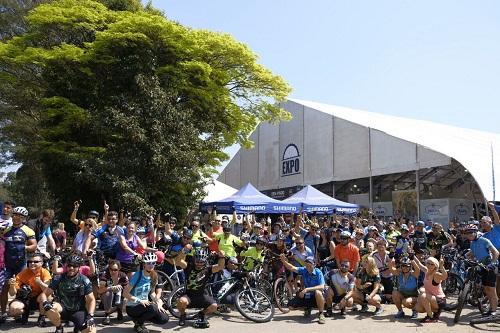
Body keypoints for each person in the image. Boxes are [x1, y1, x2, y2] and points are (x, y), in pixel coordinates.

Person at [40, 254, 96, 333]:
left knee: (91, 331)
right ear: (66, 265)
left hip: (79, 311)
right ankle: (59, 327)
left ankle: (77, 328)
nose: (71, 268)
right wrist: (45, 303)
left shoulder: (84, 280)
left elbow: (91, 299)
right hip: (63, 308)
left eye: (75, 266)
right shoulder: (58, 278)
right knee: (50, 308)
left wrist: (90, 316)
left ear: (79, 267)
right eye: (69, 265)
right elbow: (44, 294)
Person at [0, 206, 37, 324]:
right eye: (15, 215)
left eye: (19, 216)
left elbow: (34, 245)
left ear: (23, 218)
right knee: (4, 288)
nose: (16, 217)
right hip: (7, 264)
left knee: (22, 289)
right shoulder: (6, 230)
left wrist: (25, 247)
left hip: (21, 264)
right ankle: (3, 313)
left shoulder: (28, 230)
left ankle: (19, 313)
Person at [176, 248, 225, 328]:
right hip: (189, 296)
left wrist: (222, 257)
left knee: (214, 306)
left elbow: (220, 266)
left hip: (201, 296)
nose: (199, 264)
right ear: (194, 260)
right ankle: (182, 315)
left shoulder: (208, 269)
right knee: (181, 301)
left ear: (205, 261)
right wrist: (184, 250)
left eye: (201, 262)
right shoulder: (189, 266)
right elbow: (178, 261)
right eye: (197, 261)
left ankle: (202, 313)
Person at [123, 253, 169, 333]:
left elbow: (152, 293)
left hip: (146, 306)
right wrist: (139, 301)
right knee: (153, 308)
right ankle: (139, 324)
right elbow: (125, 294)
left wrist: (158, 302)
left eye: (153, 263)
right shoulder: (137, 275)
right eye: (148, 263)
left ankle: (140, 319)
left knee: (164, 318)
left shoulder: (154, 275)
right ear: (144, 264)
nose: (151, 265)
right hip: (132, 307)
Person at [280, 255, 327, 324]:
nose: (308, 266)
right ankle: (307, 308)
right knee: (290, 306)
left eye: (310, 264)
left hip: (317, 297)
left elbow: (322, 286)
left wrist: (307, 289)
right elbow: (292, 268)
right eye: (306, 264)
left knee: (318, 292)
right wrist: (284, 261)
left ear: (314, 264)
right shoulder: (304, 270)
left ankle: (321, 314)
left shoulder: (318, 272)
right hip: (307, 296)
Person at [7, 252, 51, 326]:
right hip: (25, 299)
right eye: (30, 261)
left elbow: (48, 290)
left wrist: (40, 283)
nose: (32, 263)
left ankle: (41, 317)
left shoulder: (45, 272)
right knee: (14, 309)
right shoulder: (22, 273)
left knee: (47, 296)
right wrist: (12, 285)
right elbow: (12, 293)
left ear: (42, 263)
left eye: (36, 261)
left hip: (39, 300)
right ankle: (24, 313)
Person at [464, 223, 498, 317]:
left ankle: (494, 311)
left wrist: (492, 263)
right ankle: (491, 309)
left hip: (490, 267)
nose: (468, 234)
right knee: (487, 289)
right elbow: (473, 253)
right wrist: (465, 256)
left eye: (470, 232)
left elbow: (495, 252)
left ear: (475, 232)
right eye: (467, 233)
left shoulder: (484, 240)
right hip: (482, 266)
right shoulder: (473, 243)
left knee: (491, 289)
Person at [413, 256, 447, 323]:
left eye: (432, 264)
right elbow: (419, 264)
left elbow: (444, 276)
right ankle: (435, 312)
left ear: (435, 266)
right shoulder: (426, 270)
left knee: (423, 296)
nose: (429, 265)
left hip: (440, 300)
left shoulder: (436, 274)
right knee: (418, 308)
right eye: (428, 263)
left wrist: (442, 266)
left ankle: (431, 317)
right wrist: (412, 256)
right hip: (431, 297)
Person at [98, 260, 129, 325]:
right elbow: (99, 291)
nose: (113, 271)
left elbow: (127, 289)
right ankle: (107, 315)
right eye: (111, 269)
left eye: (115, 269)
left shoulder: (123, 276)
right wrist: (110, 288)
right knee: (109, 293)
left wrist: (126, 298)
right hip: (107, 297)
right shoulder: (105, 275)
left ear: (119, 269)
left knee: (122, 294)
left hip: (119, 296)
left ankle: (119, 309)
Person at [372, 238, 393, 303]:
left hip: (390, 276)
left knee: (389, 294)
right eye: (379, 244)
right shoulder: (374, 255)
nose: (381, 246)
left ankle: (387, 297)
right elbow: (372, 267)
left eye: (383, 244)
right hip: (379, 276)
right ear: (377, 246)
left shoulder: (390, 255)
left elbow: (393, 266)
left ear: (385, 246)